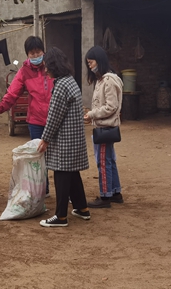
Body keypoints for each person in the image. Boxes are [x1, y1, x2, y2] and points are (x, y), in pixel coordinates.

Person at [0, 36, 53, 194]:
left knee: (60, 156)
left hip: (55, 120)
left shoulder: (52, 66)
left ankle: (66, 190)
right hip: (36, 122)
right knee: (38, 157)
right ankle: (42, 189)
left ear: (43, 51)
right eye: (32, 53)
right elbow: (12, 94)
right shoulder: (24, 72)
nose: (36, 56)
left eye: (38, 52)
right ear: (27, 55)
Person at [37, 47, 90, 227]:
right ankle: (82, 208)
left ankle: (60, 216)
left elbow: (54, 117)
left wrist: (45, 139)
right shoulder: (70, 81)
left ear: (54, 66)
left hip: (65, 140)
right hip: (74, 137)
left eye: (47, 66)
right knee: (72, 172)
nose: (45, 70)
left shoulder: (60, 86)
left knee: (61, 174)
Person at [83, 46, 124, 208]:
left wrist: (92, 114)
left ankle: (105, 196)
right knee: (109, 161)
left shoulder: (108, 81)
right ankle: (115, 192)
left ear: (99, 61)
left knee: (103, 162)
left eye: (91, 62)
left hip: (105, 128)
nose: (90, 66)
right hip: (105, 127)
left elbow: (111, 106)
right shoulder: (104, 80)